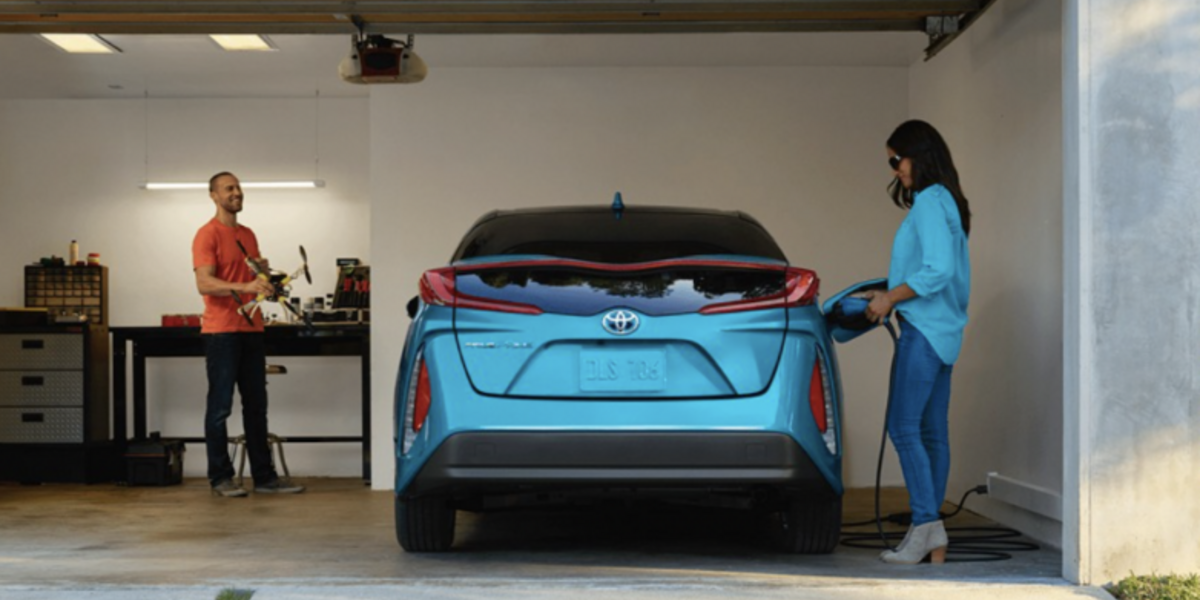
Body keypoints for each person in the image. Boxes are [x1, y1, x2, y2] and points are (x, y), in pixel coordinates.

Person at [864, 120, 971, 564]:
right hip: (945, 330)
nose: (895, 170)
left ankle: (926, 526)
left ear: (918, 156)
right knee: (932, 432)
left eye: (897, 160)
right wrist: (885, 292)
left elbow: (937, 270)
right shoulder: (949, 201)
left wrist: (890, 298)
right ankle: (932, 533)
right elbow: (943, 270)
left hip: (923, 330)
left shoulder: (929, 201)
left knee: (904, 427)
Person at [192, 171, 305, 497]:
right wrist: (245, 285)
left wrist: (264, 278)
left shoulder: (248, 234)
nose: (236, 192)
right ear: (214, 196)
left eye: (238, 187)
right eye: (229, 188)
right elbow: (204, 283)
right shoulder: (206, 235)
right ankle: (220, 478)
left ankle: (264, 478)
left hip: (252, 330)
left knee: (256, 407)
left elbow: (252, 281)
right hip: (221, 332)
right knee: (220, 408)